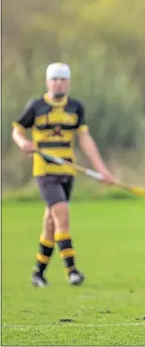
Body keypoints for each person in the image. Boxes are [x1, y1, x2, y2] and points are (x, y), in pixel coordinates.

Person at [11, 62, 114, 288]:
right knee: (62, 214)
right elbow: (17, 129)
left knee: (51, 222)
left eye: (63, 79)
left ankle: (38, 274)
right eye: (54, 79)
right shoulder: (36, 107)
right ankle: (72, 270)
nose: (58, 83)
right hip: (45, 171)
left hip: (67, 171)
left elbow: (85, 139)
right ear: (48, 82)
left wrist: (102, 170)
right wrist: (23, 142)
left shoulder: (76, 108)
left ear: (68, 82)